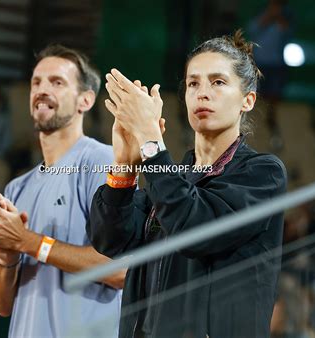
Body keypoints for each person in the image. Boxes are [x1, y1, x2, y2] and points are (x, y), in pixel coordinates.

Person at [87, 30, 287, 337]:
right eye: (193, 83)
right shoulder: (171, 176)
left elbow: (192, 228)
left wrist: (152, 143)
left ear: (247, 100)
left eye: (218, 82)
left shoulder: (263, 174)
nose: (202, 93)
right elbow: (110, 240)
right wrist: (125, 165)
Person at [0, 45, 125, 337]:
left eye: (57, 82)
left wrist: (29, 242)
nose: (42, 90)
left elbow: (119, 271)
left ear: (85, 100)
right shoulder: (17, 187)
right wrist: (7, 259)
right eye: (36, 82)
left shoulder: (102, 161)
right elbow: (0, 305)